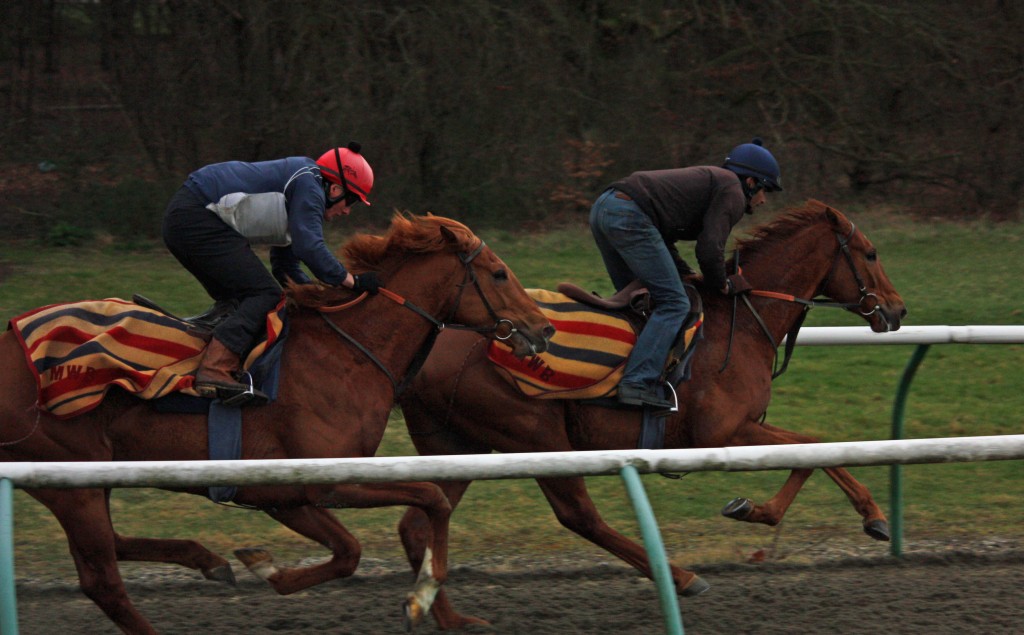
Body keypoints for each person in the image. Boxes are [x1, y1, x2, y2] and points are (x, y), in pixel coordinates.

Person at [162, 142, 380, 406]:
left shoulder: (302, 187)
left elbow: (285, 267)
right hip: (197, 216)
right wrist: (351, 281)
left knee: (241, 299)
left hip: (186, 215)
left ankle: (200, 340)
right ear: (334, 189)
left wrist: (319, 297)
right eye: (352, 200)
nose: (347, 211)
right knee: (264, 295)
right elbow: (309, 247)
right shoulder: (309, 186)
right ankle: (214, 369)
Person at [589, 137, 782, 409]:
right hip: (628, 214)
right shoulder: (733, 192)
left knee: (637, 303)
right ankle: (637, 383)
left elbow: (662, 237)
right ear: (751, 183)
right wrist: (722, 284)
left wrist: (685, 272)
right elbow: (709, 248)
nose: (763, 201)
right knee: (674, 303)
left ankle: (609, 371)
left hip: (604, 208)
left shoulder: (714, 183)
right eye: (766, 191)